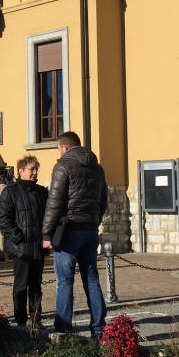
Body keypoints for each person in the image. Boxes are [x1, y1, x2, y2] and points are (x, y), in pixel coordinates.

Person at [41, 131, 108, 337]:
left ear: (64, 147)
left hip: (68, 230)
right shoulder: (97, 168)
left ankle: (63, 330)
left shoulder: (63, 165)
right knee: (91, 279)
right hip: (90, 230)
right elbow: (103, 200)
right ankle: (99, 329)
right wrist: (94, 221)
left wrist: (46, 233)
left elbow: (55, 202)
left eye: (59, 149)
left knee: (65, 281)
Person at [0, 156, 48, 331]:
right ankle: (20, 321)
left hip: (38, 247)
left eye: (36, 170)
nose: (35, 173)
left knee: (36, 286)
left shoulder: (42, 192)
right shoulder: (10, 191)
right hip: (21, 248)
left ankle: (36, 319)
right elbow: (3, 219)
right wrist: (18, 237)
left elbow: (47, 218)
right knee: (21, 286)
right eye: (31, 169)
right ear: (21, 170)